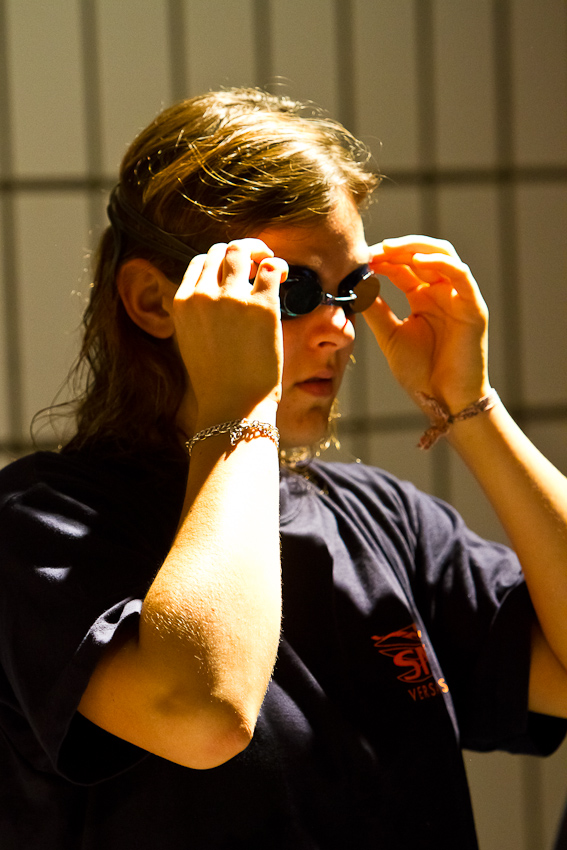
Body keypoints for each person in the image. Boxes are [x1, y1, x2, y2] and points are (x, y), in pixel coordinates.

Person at [1, 87, 567, 850]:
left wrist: (468, 406)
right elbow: (201, 713)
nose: (339, 330)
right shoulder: (39, 531)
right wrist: (241, 410)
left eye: (352, 290)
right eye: (290, 290)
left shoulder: (380, 520)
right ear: (153, 301)